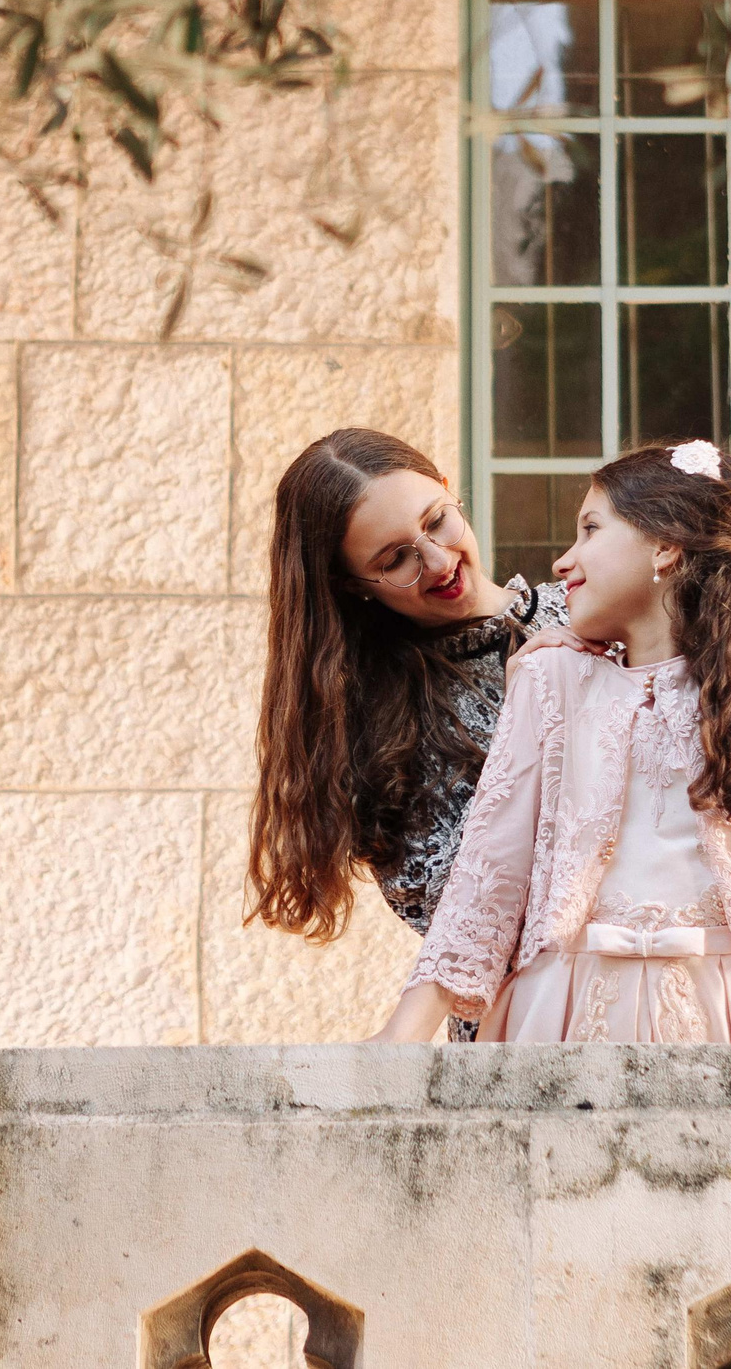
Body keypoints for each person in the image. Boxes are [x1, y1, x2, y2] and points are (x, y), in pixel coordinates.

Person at [367, 440, 731, 1045]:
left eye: (590, 529)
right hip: (563, 1008)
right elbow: (487, 873)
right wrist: (401, 1038)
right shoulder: (548, 677)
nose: (563, 562)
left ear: (666, 544)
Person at [251, 429, 600, 1038]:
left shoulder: (596, 605)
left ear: (449, 492)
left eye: (437, 522)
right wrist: (528, 728)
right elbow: (460, 905)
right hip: (522, 1023)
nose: (438, 561)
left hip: (668, 979)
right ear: (353, 586)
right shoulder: (377, 724)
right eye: (394, 559)